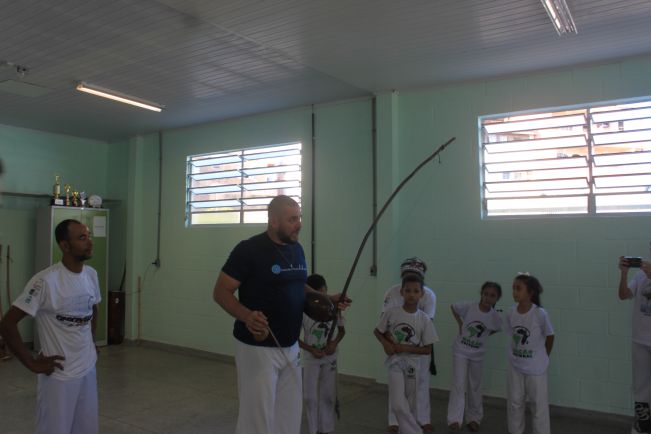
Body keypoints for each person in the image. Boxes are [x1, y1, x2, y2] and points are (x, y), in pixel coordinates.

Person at [212, 195, 350, 434]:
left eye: (299, 218)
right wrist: (246, 316)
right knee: (257, 419)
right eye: (292, 219)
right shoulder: (249, 250)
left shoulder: (297, 249)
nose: (299, 224)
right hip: (257, 348)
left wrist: (328, 299)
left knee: (289, 416)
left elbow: (297, 284)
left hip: (291, 346)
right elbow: (220, 292)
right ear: (273, 221)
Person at [0, 219, 101, 434]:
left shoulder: (91, 275)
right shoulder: (45, 281)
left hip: (87, 369)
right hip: (59, 376)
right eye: (82, 238)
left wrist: (91, 342)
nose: (89, 242)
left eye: (89, 236)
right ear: (65, 246)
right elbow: (7, 323)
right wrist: (31, 363)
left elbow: (93, 308)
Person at [374, 273, 438, 434]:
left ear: (421, 294)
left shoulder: (424, 319)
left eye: (416, 291)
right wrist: (386, 344)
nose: (411, 294)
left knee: (410, 403)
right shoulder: (392, 313)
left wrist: (404, 348)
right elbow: (378, 331)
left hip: (413, 365)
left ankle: (409, 430)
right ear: (401, 292)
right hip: (395, 362)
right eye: (408, 290)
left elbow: (427, 349)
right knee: (397, 403)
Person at [447, 281, 503, 432]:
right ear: (481, 294)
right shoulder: (469, 306)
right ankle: (455, 419)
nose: (488, 298)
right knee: (459, 383)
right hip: (461, 351)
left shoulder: (494, 316)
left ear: (497, 298)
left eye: (492, 296)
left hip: (478, 355)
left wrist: (484, 335)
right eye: (486, 294)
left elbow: (497, 328)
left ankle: (474, 418)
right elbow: (453, 307)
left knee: (475, 385)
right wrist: (460, 324)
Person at [506, 273, 554, 434]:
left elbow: (550, 336)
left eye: (518, 288)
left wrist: (543, 357)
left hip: (536, 368)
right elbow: (511, 335)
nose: (514, 292)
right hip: (515, 366)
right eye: (513, 288)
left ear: (530, 292)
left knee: (538, 405)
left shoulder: (540, 314)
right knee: (515, 403)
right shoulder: (511, 313)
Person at [299, 273, 346, 434]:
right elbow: (294, 338)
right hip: (311, 359)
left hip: (329, 357)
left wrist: (334, 343)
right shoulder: (304, 311)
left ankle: (325, 429)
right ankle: (313, 429)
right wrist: (311, 349)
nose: (322, 297)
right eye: (317, 294)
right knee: (309, 397)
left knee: (328, 395)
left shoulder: (333, 308)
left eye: (323, 292)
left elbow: (341, 331)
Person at [618, 256, 651, 434]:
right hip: (640, 339)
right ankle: (643, 423)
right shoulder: (640, 275)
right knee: (640, 385)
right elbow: (623, 295)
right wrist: (623, 274)